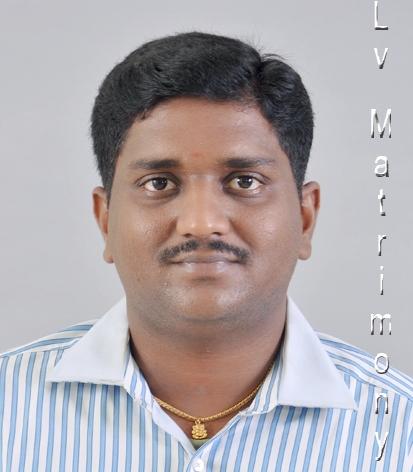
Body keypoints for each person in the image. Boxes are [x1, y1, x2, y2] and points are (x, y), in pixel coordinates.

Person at [0, 31, 411, 472]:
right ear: (105, 220)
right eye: (159, 183)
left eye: (244, 181)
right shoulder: (8, 406)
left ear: (305, 217)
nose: (201, 223)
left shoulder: (401, 433)